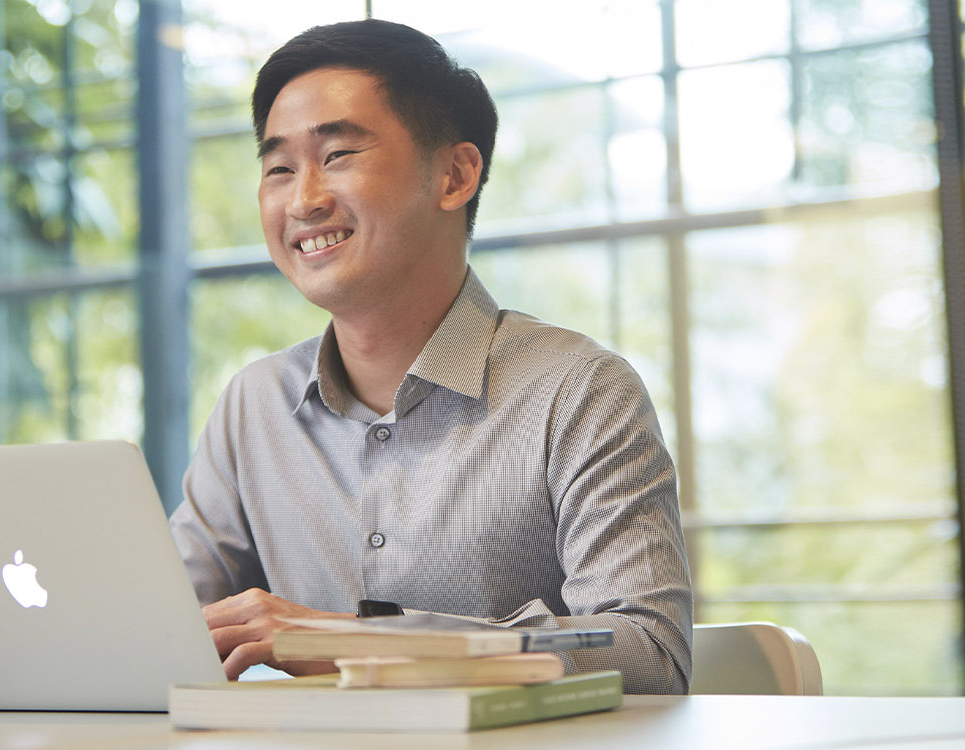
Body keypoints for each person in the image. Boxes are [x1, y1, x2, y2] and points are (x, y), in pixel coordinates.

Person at [167, 19, 693, 695]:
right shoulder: (254, 404)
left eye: (338, 156)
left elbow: (652, 655)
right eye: (278, 168)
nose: (304, 199)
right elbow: (167, 630)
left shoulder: (579, 390)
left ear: (454, 174)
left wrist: (360, 644)